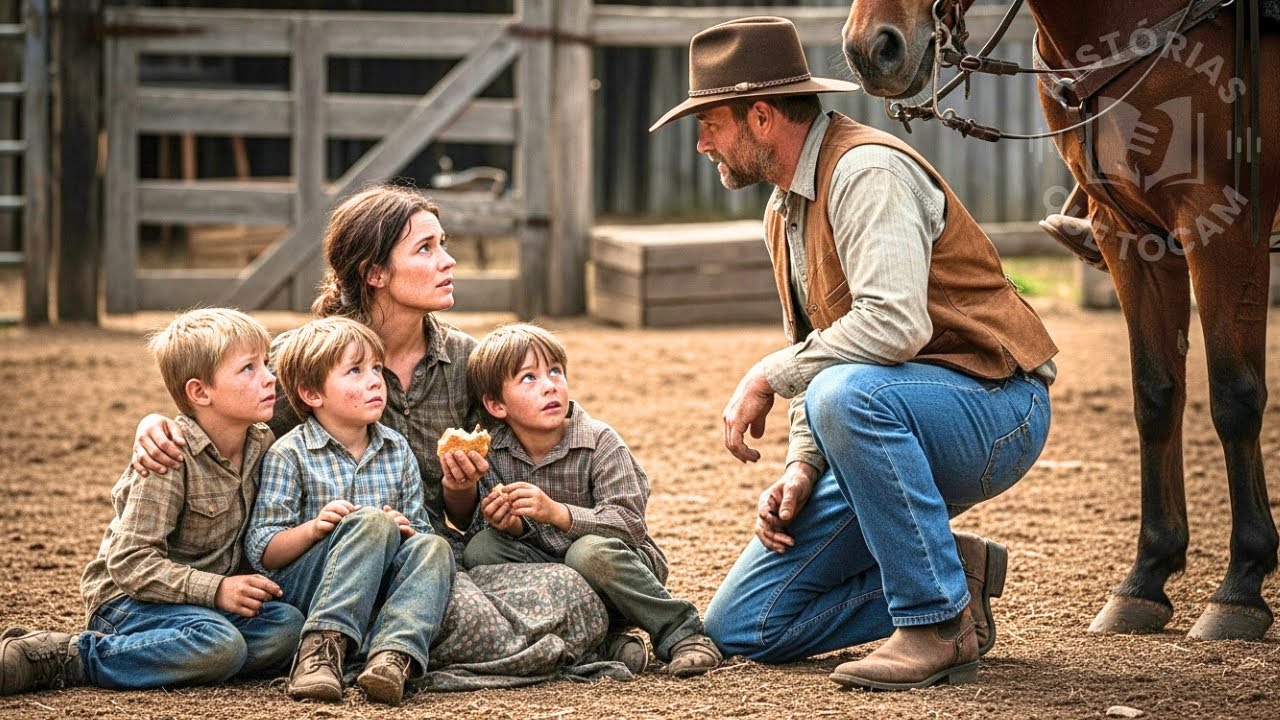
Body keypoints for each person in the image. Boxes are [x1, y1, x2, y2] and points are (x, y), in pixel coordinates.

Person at [650, 17, 1057, 690]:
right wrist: (803, 466)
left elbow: (891, 327)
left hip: (995, 406)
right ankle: (955, 577)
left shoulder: (866, 172)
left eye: (710, 125)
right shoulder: (782, 211)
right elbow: (824, 348)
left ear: (759, 118)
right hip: (886, 415)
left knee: (845, 395)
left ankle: (935, 622)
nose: (700, 144)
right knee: (745, 625)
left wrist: (766, 375)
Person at [131, 185, 490, 559]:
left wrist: (461, 487)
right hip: (317, 568)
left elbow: (464, 518)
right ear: (375, 273)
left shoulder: (468, 360)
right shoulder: (301, 360)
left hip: (426, 558)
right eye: (425, 248)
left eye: (443, 244)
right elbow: (216, 421)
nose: (448, 261)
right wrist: (156, 424)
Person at [0, 309, 304, 695]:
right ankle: (72, 655)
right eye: (248, 369)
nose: (269, 378)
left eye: (266, 364)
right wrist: (216, 590)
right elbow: (130, 562)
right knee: (220, 645)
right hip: (131, 600)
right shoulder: (168, 456)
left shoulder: (263, 445)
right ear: (200, 392)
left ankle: (179, 655)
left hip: (204, 607)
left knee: (287, 627)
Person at [462, 323, 722, 678]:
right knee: (482, 549)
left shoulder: (600, 441)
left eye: (555, 371)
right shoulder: (493, 453)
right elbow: (484, 528)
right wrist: (513, 526)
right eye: (529, 378)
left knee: (587, 552)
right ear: (495, 404)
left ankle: (683, 633)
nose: (550, 385)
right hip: (552, 582)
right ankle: (601, 645)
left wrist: (557, 513)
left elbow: (629, 525)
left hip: (618, 573)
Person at [245, 317, 454, 706]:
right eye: (355, 371)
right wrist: (314, 529)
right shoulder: (289, 454)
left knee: (435, 549)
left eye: (377, 368)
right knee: (370, 521)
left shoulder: (396, 450)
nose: (375, 380)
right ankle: (320, 652)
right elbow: (263, 552)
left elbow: (422, 533)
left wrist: (403, 529)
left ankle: (393, 657)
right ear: (311, 393)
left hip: (377, 586)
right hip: (308, 589)